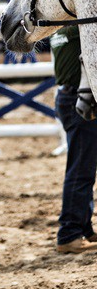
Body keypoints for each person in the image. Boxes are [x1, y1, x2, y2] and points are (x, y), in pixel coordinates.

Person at [49, 27, 97, 254]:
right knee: (81, 169)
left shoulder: (62, 26)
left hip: (68, 95)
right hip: (80, 98)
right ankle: (69, 234)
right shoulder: (81, 26)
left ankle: (84, 228)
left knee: (83, 165)